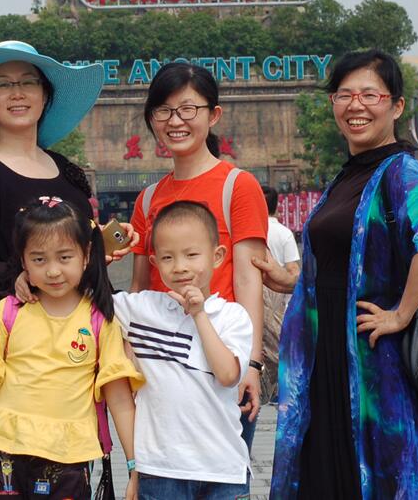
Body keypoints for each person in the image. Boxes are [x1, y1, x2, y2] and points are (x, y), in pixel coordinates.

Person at [264, 50, 418, 499]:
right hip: (325, 350)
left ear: (396, 106)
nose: (356, 106)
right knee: (325, 468)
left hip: (372, 358)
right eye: (345, 95)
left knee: (374, 469)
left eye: (370, 95)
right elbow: (347, 261)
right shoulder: (350, 175)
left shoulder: (399, 170)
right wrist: (295, 282)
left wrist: (400, 314)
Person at [0, 197, 141, 500]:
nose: (53, 271)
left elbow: (119, 399)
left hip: (69, 458)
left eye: (64, 257)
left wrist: (135, 467)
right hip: (2, 452)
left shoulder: (99, 320)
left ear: (86, 255)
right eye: (39, 259)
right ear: (23, 260)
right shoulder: (8, 312)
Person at [0, 40, 134, 324]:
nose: (17, 93)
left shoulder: (65, 168)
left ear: (44, 96)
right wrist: (28, 273)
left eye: (28, 82)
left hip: (90, 322)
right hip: (29, 332)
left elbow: (74, 247)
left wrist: (101, 242)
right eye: (3, 84)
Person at [128, 62, 268, 449]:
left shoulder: (238, 186)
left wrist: (252, 364)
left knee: (223, 475)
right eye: (164, 111)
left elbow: (248, 282)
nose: (175, 121)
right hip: (162, 373)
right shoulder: (148, 200)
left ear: (213, 114)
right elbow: (140, 288)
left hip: (221, 365)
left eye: (188, 109)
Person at [114, 200, 253, 499]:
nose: (180, 267)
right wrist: (103, 248)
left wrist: (199, 315)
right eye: (167, 257)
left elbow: (228, 375)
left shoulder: (232, 316)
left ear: (217, 256)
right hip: (161, 469)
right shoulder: (142, 309)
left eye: (192, 255)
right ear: (155, 263)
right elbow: (84, 292)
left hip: (222, 470)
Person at [259, 184, 301, 404]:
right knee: (279, 347)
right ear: (276, 206)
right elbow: (294, 271)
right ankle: (279, 392)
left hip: (253, 293)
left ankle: (262, 391)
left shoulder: (250, 230)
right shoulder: (284, 233)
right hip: (278, 299)